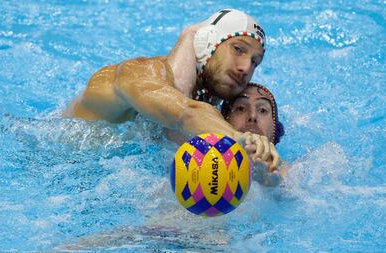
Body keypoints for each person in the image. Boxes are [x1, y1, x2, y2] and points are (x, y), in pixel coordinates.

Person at [64, 9, 280, 170]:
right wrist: (235, 138)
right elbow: (184, 112)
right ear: (207, 42)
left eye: (255, 62)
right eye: (238, 49)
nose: (245, 67)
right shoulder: (141, 72)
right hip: (58, 160)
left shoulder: (207, 102)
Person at [221, 82, 285, 185]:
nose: (252, 116)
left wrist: (271, 191)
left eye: (263, 110)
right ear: (224, 121)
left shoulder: (289, 174)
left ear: (274, 132)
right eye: (240, 108)